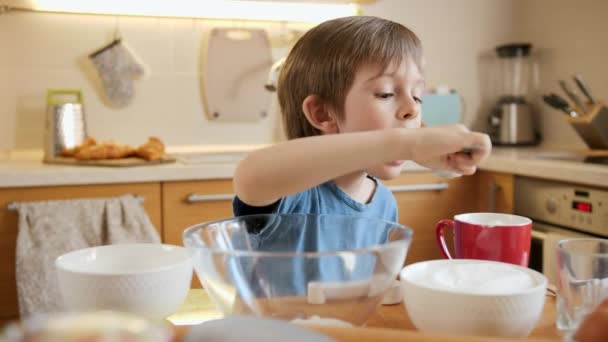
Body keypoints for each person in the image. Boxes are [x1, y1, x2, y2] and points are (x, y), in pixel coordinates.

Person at [229, 16, 491, 296]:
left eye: (417, 96)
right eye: (386, 93)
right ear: (323, 113)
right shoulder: (294, 195)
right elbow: (250, 177)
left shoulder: (384, 204)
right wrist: (404, 142)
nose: (412, 110)